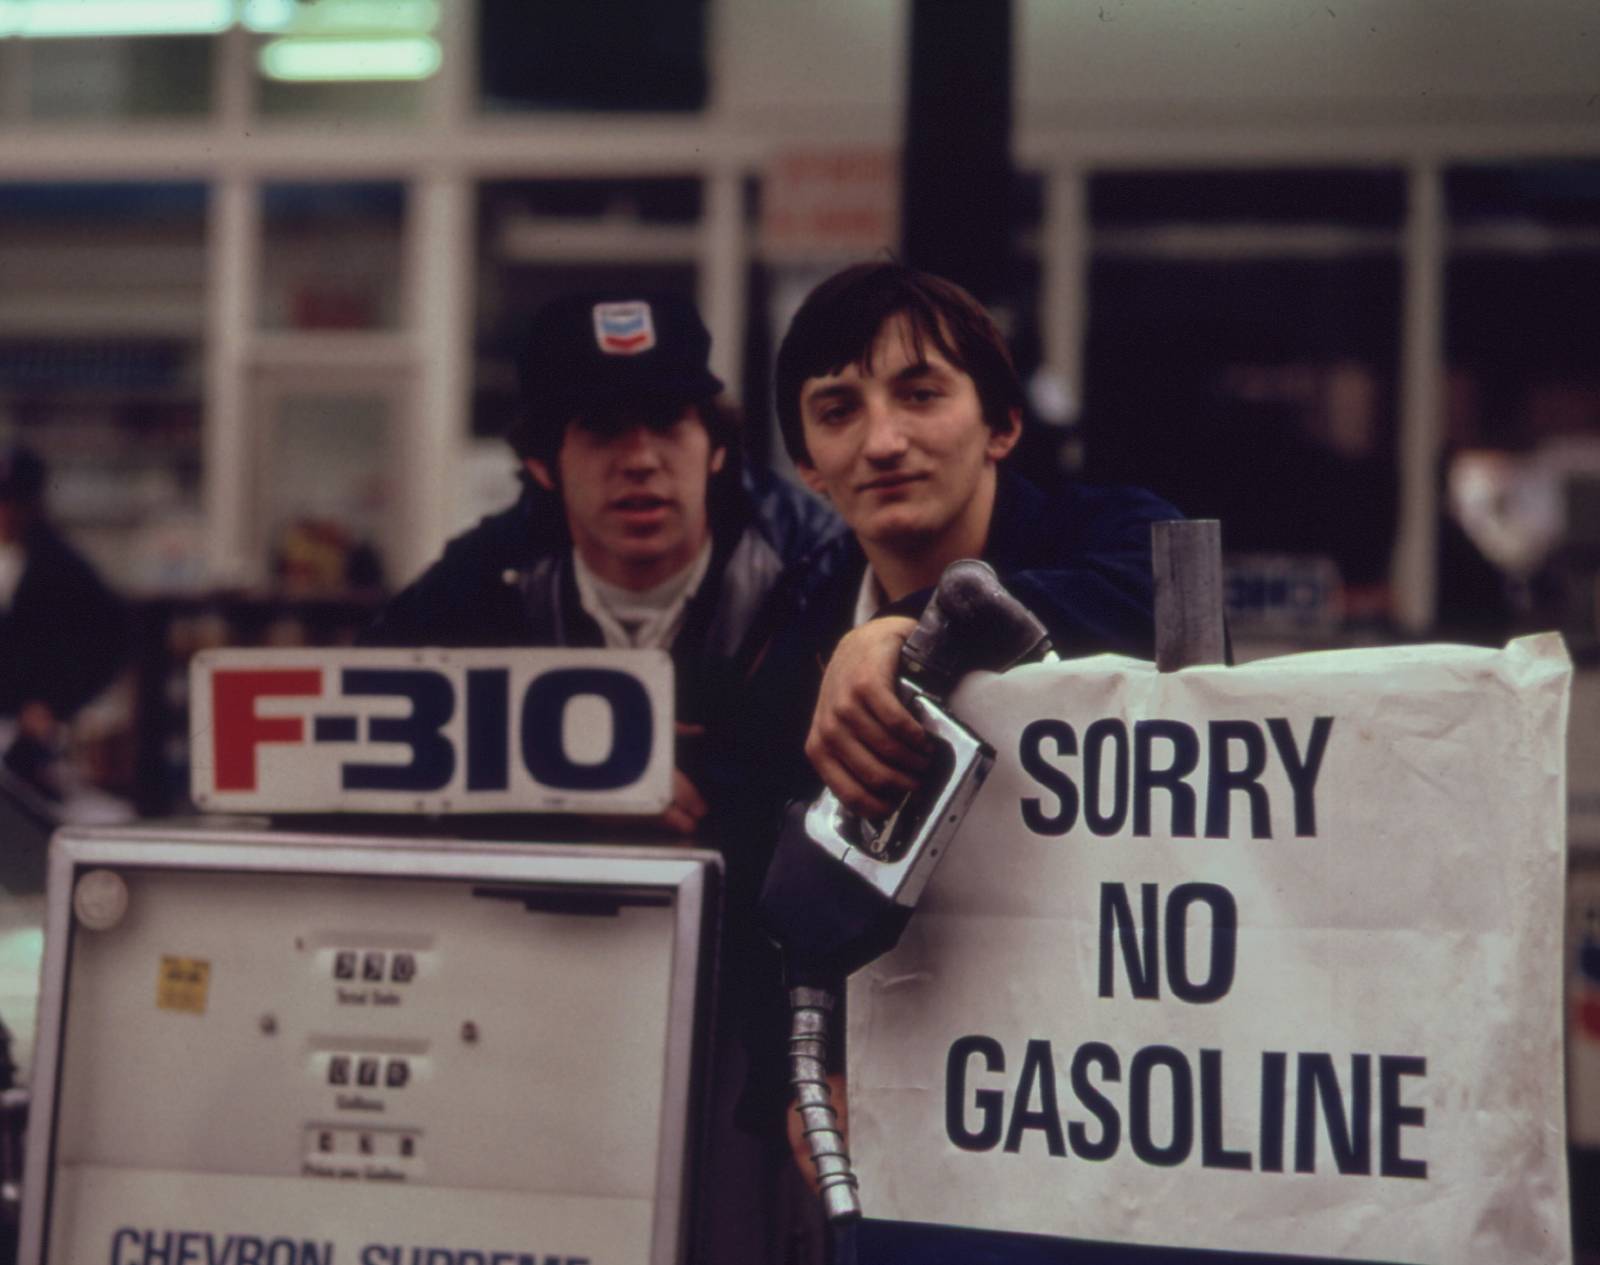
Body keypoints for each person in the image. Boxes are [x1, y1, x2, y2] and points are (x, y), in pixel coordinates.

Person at [362, 289, 842, 1265]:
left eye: (668, 422)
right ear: (542, 461)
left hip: (758, 1021)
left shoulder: (813, 564)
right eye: (600, 429)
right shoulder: (482, 578)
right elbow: (351, 757)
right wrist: (550, 777)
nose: (640, 458)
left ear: (713, 442)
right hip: (544, 1012)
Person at [752, 261, 1180, 819]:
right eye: (838, 411)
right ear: (807, 464)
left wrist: (910, 624)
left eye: (921, 395)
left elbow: (1166, 599)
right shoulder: (796, 619)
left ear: (1000, 425)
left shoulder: (1117, 536)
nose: (882, 442)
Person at [0, 444, 128, 801]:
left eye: (12, 502)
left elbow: (111, 638)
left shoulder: (60, 565)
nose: (4, 513)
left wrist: (55, 702)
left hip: (32, 732)